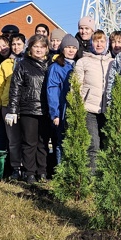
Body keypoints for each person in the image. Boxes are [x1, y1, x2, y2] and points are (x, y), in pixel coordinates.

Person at [7, 35, 50, 183]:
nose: (38, 49)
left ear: (46, 49)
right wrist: (12, 110)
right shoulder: (23, 65)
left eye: (42, 47)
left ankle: (42, 171)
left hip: (46, 109)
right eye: (35, 46)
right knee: (29, 143)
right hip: (28, 109)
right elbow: (15, 89)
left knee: (43, 143)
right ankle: (29, 172)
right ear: (30, 48)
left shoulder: (50, 65)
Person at [73, 32, 112, 173]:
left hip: (107, 109)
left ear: (107, 43)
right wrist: (77, 105)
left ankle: (105, 176)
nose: (99, 44)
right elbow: (75, 86)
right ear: (91, 43)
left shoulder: (112, 62)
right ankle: (92, 177)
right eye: (96, 41)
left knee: (107, 144)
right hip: (89, 108)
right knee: (93, 145)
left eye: (102, 41)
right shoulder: (83, 61)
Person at [0, 32, 26, 179]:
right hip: (7, 105)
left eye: (19, 44)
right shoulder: (6, 64)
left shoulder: (29, 62)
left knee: (27, 139)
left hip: (25, 106)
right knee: (13, 140)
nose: (16, 47)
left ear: (24, 45)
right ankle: (15, 168)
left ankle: (28, 168)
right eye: (14, 44)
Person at [47, 35, 78, 166]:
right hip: (62, 110)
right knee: (61, 142)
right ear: (62, 49)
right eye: (67, 47)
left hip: (76, 110)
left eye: (73, 48)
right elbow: (52, 90)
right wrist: (55, 113)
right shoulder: (56, 67)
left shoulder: (78, 65)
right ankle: (62, 170)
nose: (71, 50)